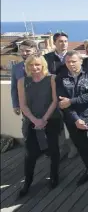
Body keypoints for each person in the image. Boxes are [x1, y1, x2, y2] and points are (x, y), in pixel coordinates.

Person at [17, 54, 61, 198]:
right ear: (27, 67)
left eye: (37, 65)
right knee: (30, 155)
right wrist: (35, 120)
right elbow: (22, 105)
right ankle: (27, 182)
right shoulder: (22, 81)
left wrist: (44, 119)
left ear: (43, 65)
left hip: (51, 119)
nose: (34, 68)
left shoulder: (52, 78)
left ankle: (54, 176)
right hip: (32, 122)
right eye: (31, 65)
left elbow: (55, 101)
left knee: (54, 150)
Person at [56, 51, 88, 186]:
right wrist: (76, 119)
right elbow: (62, 103)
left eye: (74, 61)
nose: (71, 64)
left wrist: (72, 100)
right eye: (68, 62)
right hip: (72, 120)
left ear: (80, 61)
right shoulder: (60, 78)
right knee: (82, 147)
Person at [11, 40, 38, 116]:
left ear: (35, 50)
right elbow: (14, 88)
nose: (24, 53)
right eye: (22, 51)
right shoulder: (16, 68)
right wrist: (15, 105)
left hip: (44, 106)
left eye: (27, 51)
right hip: (25, 107)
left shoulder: (43, 64)